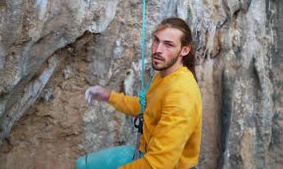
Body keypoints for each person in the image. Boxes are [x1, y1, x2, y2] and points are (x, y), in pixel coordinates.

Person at [81, 17, 202, 169]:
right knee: (83, 165)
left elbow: (159, 165)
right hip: (148, 154)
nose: (158, 50)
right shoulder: (165, 75)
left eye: (168, 45)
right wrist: (107, 96)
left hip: (166, 165)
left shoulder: (181, 94)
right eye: (156, 40)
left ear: (185, 50)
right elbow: (145, 105)